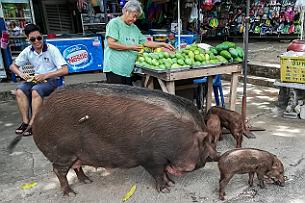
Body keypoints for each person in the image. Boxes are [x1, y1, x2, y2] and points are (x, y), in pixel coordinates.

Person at [10, 24, 68, 136]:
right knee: (19, 91)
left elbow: (65, 70)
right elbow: (12, 66)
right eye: (33, 39)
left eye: (39, 38)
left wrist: (45, 75)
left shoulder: (52, 49)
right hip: (37, 79)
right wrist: (21, 74)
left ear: (42, 36)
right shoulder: (28, 51)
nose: (37, 41)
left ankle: (34, 124)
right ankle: (25, 122)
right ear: (28, 39)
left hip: (54, 80)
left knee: (36, 90)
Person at [103, 0, 174, 85]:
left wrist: (162, 44)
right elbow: (111, 44)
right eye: (134, 16)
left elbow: (145, 43)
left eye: (136, 17)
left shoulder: (134, 28)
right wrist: (131, 47)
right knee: (117, 96)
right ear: (126, 11)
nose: (135, 19)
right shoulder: (114, 23)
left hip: (127, 69)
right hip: (114, 68)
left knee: (127, 95)